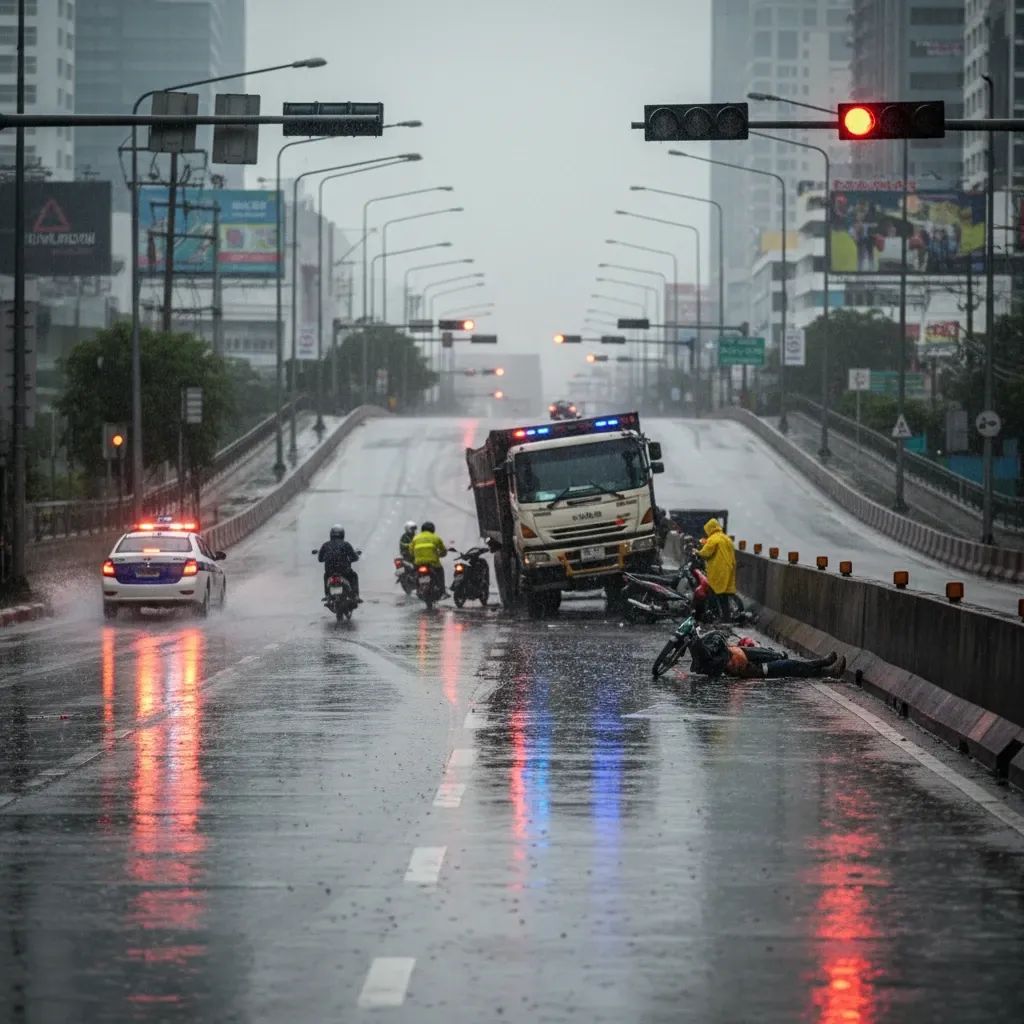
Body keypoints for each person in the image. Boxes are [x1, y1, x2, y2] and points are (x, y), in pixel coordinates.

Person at [689, 630, 846, 680]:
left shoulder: (712, 647)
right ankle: (825, 668)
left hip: (750, 656)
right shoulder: (710, 659)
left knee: (783, 660)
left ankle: (825, 669)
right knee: (790, 666)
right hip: (754, 669)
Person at [697, 518, 737, 621]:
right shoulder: (725, 538)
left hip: (718, 569)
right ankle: (725, 617)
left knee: (715, 592)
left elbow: (706, 552)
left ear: (710, 529)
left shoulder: (714, 539)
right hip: (728, 568)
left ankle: (715, 615)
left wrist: (697, 552)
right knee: (723, 595)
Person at [317, 524, 361, 601]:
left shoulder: (326, 545)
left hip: (330, 571)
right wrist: (352, 558)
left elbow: (320, 559)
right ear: (342, 534)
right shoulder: (346, 544)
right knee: (354, 576)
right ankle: (355, 596)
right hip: (344, 571)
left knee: (325, 576)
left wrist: (326, 557)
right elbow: (355, 557)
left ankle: (327, 595)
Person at [411, 520, 449, 596]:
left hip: (419, 563)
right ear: (433, 529)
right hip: (432, 563)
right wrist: (440, 554)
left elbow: (411, 550)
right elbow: (443, 551)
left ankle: (418, 588)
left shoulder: (415, 538)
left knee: (415, 574)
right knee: (440, 573)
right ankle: (443, 591)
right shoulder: (435, 538)